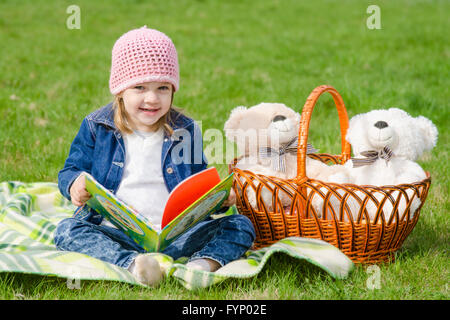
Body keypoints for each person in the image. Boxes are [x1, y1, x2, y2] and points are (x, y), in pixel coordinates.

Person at [54, 26, 255, 287]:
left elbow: (198, 184)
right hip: (117, 232)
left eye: (162, 87)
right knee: (67, 230)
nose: (152, 98)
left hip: (178, 236)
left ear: (173, 89)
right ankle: (133, 265)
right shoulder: (97, 127)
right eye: (139, 87)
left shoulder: (186, 129)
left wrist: (219, 200)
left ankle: (199, 267)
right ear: (120, 90)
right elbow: (70, 170)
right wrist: (74, 184)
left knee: (241, 225)